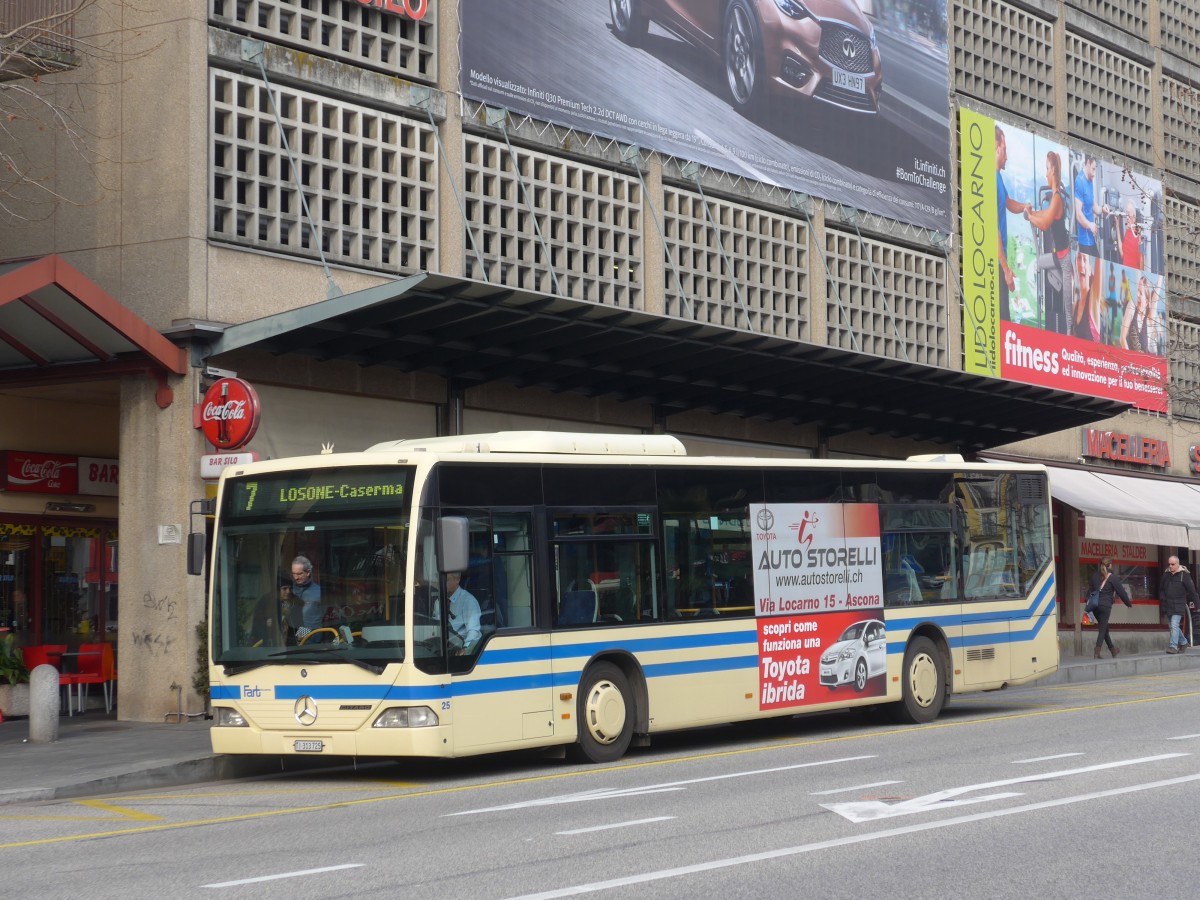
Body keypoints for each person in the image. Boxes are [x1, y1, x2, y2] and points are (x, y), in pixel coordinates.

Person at [1025, 151, 1071, 334]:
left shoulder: (1058, 198)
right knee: (1038, 263)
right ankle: (1052, 291)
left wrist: (1030, 216)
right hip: (1056, 257)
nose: (1045, 173)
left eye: (1046, 169)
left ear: (1053, 171)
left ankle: (1069, 337)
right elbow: (1043, 215)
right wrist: (1031, 212)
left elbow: (1044, 224)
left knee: (1068, 315)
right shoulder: (1054, 199)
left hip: (1065, 260)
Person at [995, 126, 1032, 322]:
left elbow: (1007, 202)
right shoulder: (990, 179)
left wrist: (1024, 207)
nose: (1007, 156)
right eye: (1005, 149)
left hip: (1000, 261)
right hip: (995, 263)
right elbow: (994, 233)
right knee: (1003, 321)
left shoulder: (998, 177)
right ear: (996, 147)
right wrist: (1006, 270)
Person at [1089, 557, 1132, 659]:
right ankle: (1097, 651)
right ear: (1110, 565)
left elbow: (1089, 591)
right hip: (1105, 606)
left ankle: (1113, 650)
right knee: (1102, 629)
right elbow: (1121, 591)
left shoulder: (1094, 576)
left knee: (1104, 628)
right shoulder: (1112, 577)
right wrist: (1128, 603)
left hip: (1095, 606)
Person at [1160, 556, 1200, 653]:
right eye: (1169, 564)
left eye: (1173, 564)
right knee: (1172, 626)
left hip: (1179, 604)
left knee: (1174, 624)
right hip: (1168, 604)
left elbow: (1192, 591)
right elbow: (1161, 589)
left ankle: (1173, 646)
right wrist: (1163, 601)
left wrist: (1197, 605)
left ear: (1178, 564)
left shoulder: (1184, 575)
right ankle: (1183, 642)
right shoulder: (1166, 575)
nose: (1170, 566)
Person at [437, 571, 481, 654]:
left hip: (461, 649)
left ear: (457, 580)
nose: (442, 583)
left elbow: (473, 631)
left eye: (447, 580)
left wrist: (464, 649)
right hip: (441, 648)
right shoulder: (438, 601)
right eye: (440, 580)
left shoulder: (468, 600)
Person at [1073, 154, 1108, 258]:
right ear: (1087, 163)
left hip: (1091, 239)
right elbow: (1078, 215)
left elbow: (1094, 207)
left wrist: (1102, 209)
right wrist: (1090, 225)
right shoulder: (1080, 181)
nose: (1094, 173)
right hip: (1084, 241)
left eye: (1095, 169)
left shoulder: (1090, 181)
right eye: (1093, 169)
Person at [249, 578, 293, 646]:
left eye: (290, 588)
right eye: (284, 588)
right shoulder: (267, 601)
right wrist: (266, 623)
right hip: (268, 643)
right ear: (277, 590)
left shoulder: (294, 602)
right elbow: (257, 624)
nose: (288, 591)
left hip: (289, 644)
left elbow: (303, 623)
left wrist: (300, 636)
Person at [289, 555, 323, 639]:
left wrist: (303, 632)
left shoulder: (318, 592)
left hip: (311, 640)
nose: (296, 577)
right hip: (288, 638)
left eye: (299, 574)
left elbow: (318, 618)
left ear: (308, 572)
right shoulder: (288, 589)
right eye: (293, 574)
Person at [1119, 275, 1149, 353]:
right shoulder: (1131, 305)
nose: (1137, 294)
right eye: (1137, 291)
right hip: (1130, 362)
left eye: (1141, 293)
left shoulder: (1148, 320)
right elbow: (1122, 338)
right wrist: (1130, 360)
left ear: (1146, 302)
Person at [1120, 202, 1142, 269]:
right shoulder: (1128, 231)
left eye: (1128, 213)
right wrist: (1117, 229)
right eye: (1126, 214)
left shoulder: (1139, 232)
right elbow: (1123, 255)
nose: (1127, 217)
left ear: (1134, 216)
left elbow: (1141, 261)